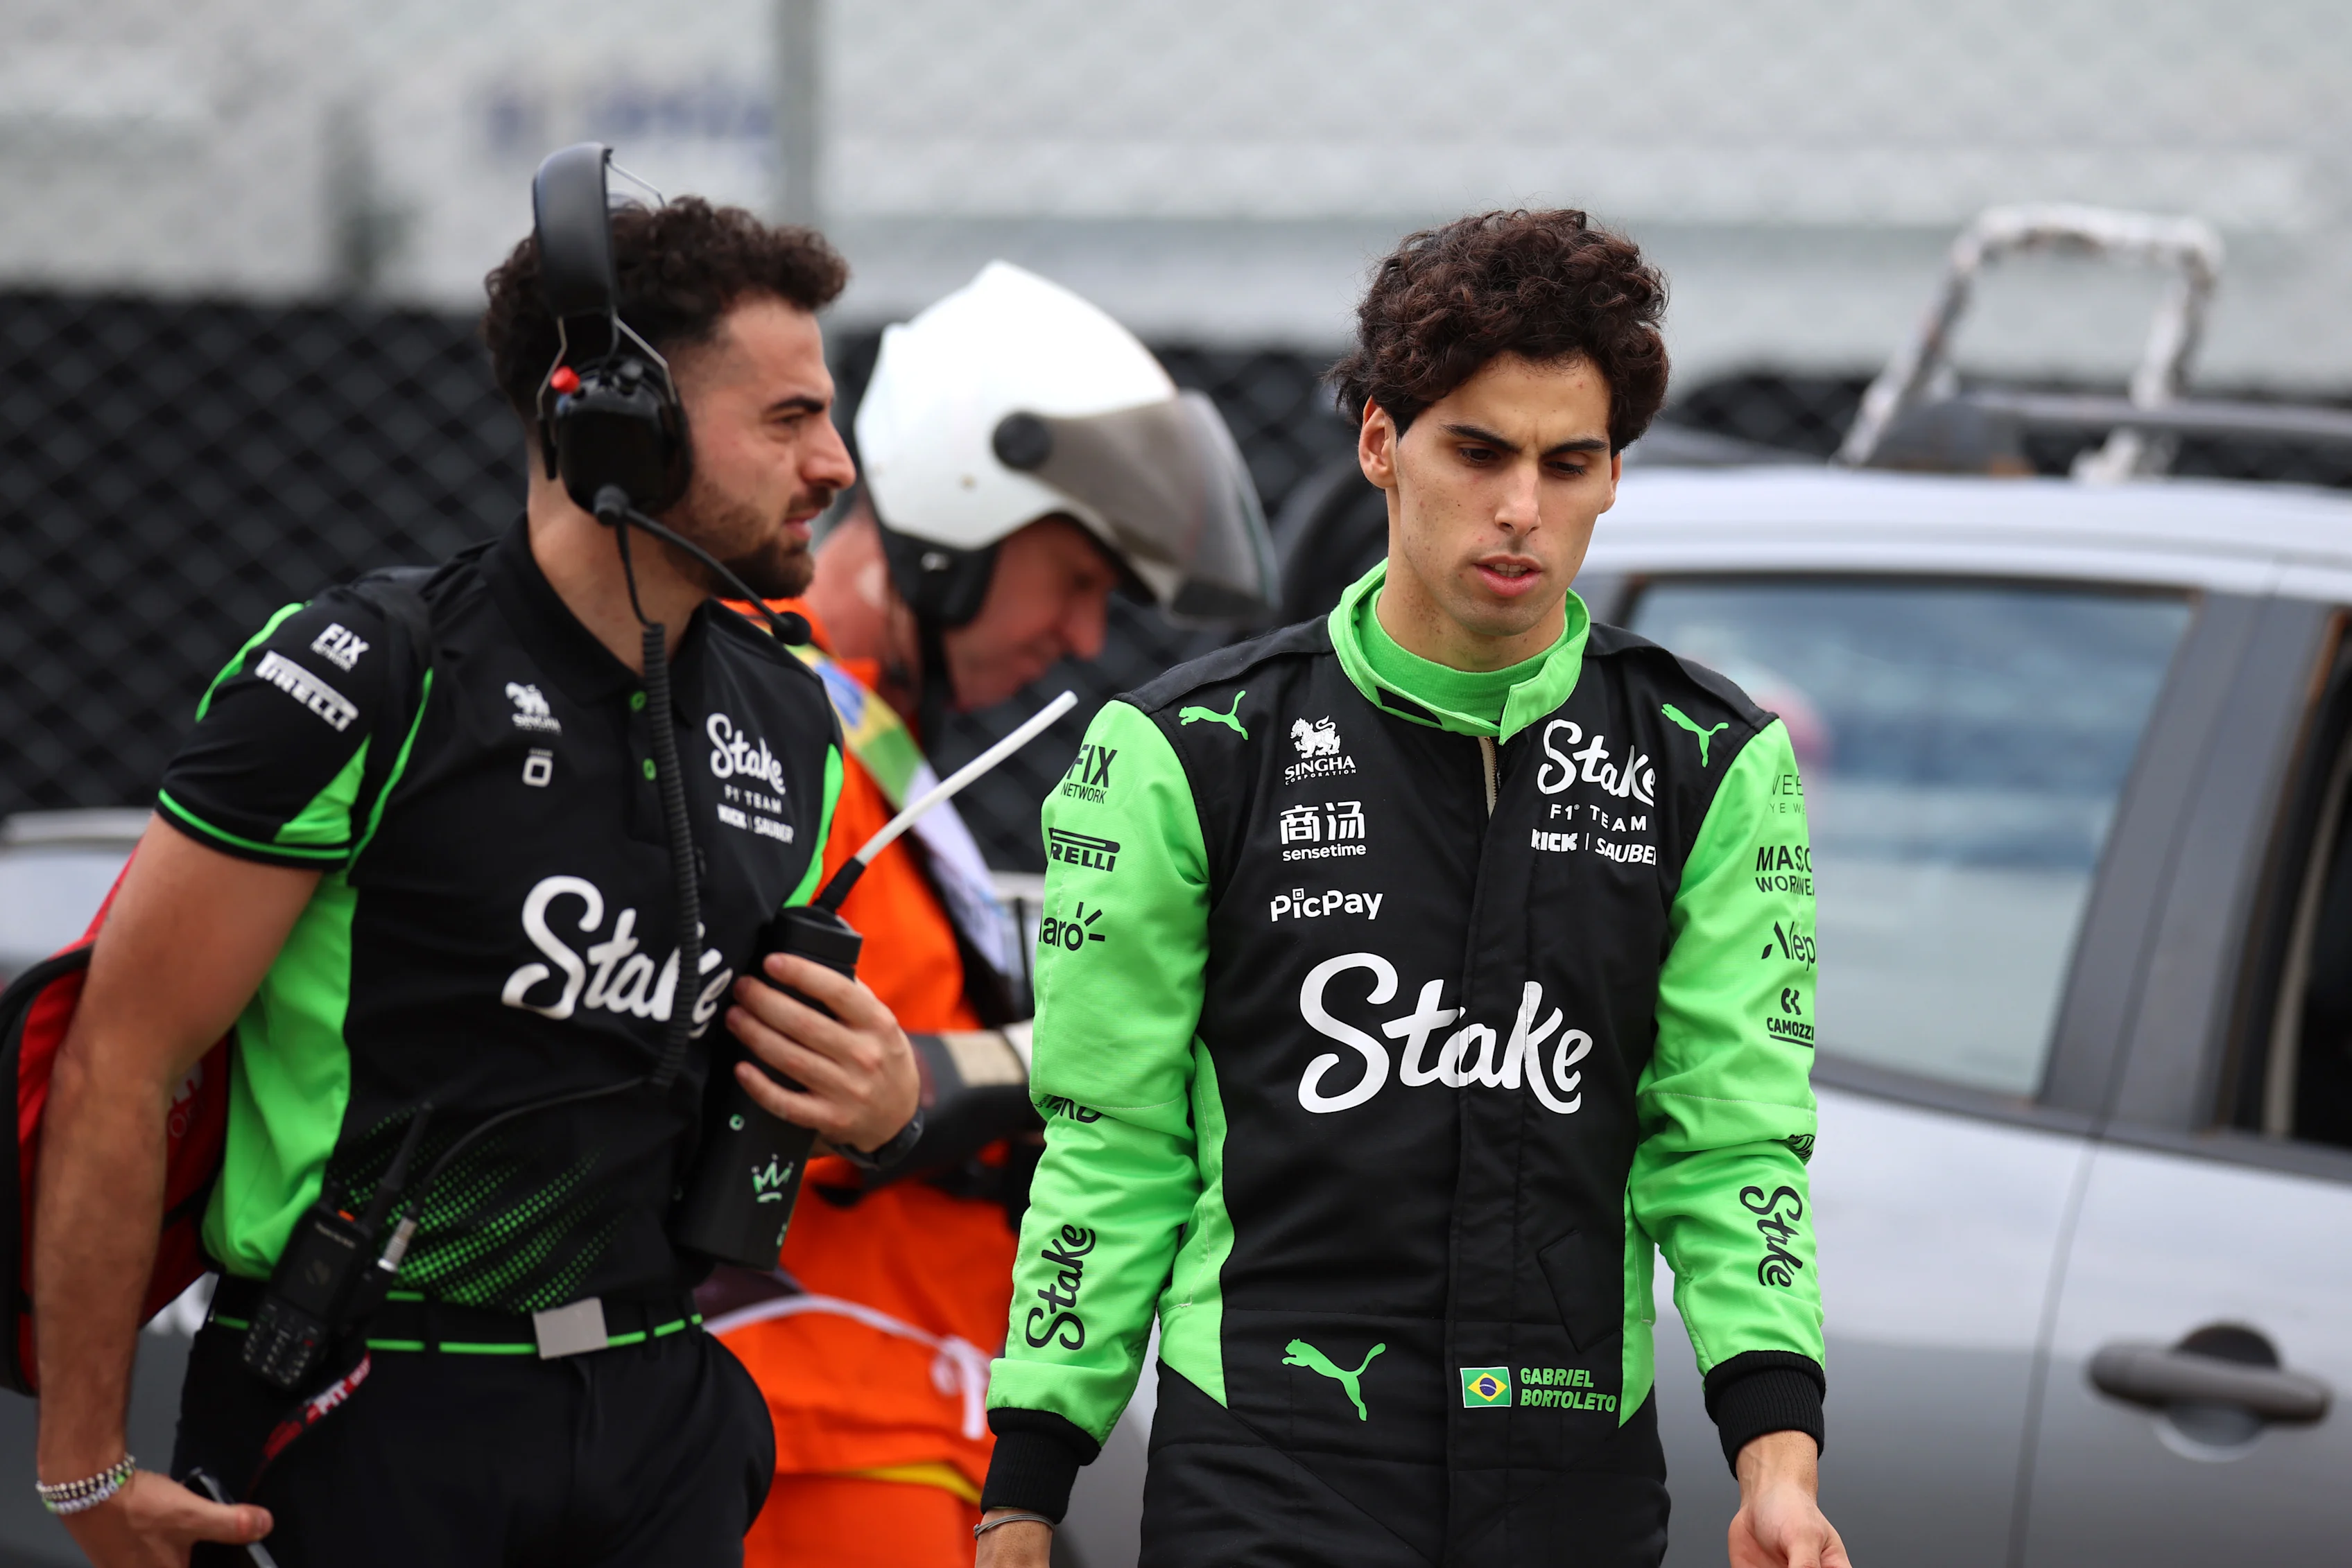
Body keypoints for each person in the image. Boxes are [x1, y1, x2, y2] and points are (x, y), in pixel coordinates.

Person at [31, 193, 925, 1566]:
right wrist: (84, 1466)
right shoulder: (365, 671)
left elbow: (756, 1083)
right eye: (789, 418)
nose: (837, 465)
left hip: (656, 1405)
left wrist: (880, 1098)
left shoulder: (797, 721)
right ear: (624, 427)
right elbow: (119, 1065)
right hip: (364, 1401)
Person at [976, 211, 1849, 1568]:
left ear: (1614, 475)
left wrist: (1777, 1467)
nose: (1521, 508)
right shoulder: (1186, 751)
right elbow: (1110, 1141)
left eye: (1569, 464)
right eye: (1478, 451)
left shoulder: (1707, 759)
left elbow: (1733, 1149)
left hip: (1569, 1470)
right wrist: (1026, 1484)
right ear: (1381, 442)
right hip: (1269, 1457)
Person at [708, 261, 1277, 1568]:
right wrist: (1098, 1046)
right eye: (1077, 576)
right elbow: (823, 1092)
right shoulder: (765, 725)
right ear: (964, 513)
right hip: (820, 1437)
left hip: (918, 1422)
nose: (1085, 636)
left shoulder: (867, 745)